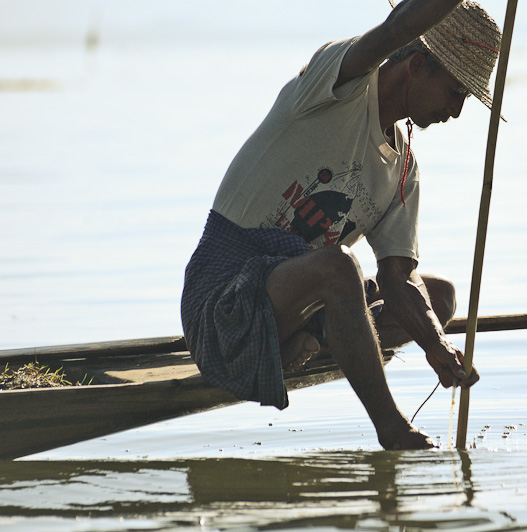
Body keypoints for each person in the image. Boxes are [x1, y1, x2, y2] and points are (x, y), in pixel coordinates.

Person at [181, 0, 502, 450]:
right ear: (416, 65)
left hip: (297, 303)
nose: (457, 112)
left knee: (440, 299)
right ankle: (392, 428)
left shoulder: (403, 169)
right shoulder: (339, 85)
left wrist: (436, 346)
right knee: (339, 267)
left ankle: (307, 338)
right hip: (222, 307)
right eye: (455, 92)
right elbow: (393, 30)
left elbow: (398, 279)